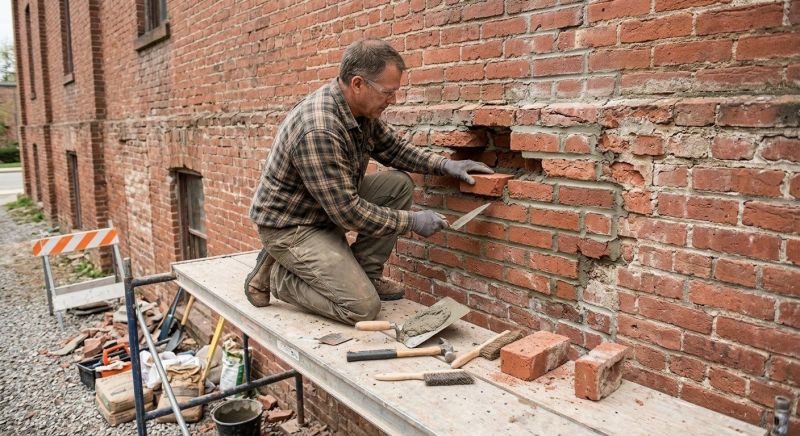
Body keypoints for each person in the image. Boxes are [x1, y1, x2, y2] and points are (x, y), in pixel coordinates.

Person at [244, 39, 493, 325]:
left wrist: (446, 165)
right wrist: (412, 222)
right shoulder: (320, 128)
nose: (393, 100)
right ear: (358, 83)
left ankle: (366, 276)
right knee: (362, 309)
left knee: (397, 185)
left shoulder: (359, 111)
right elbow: (348, 213)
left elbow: (395, 150)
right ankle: (280, 277)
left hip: (323, 207)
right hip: (292, 226)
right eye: (388, 92)